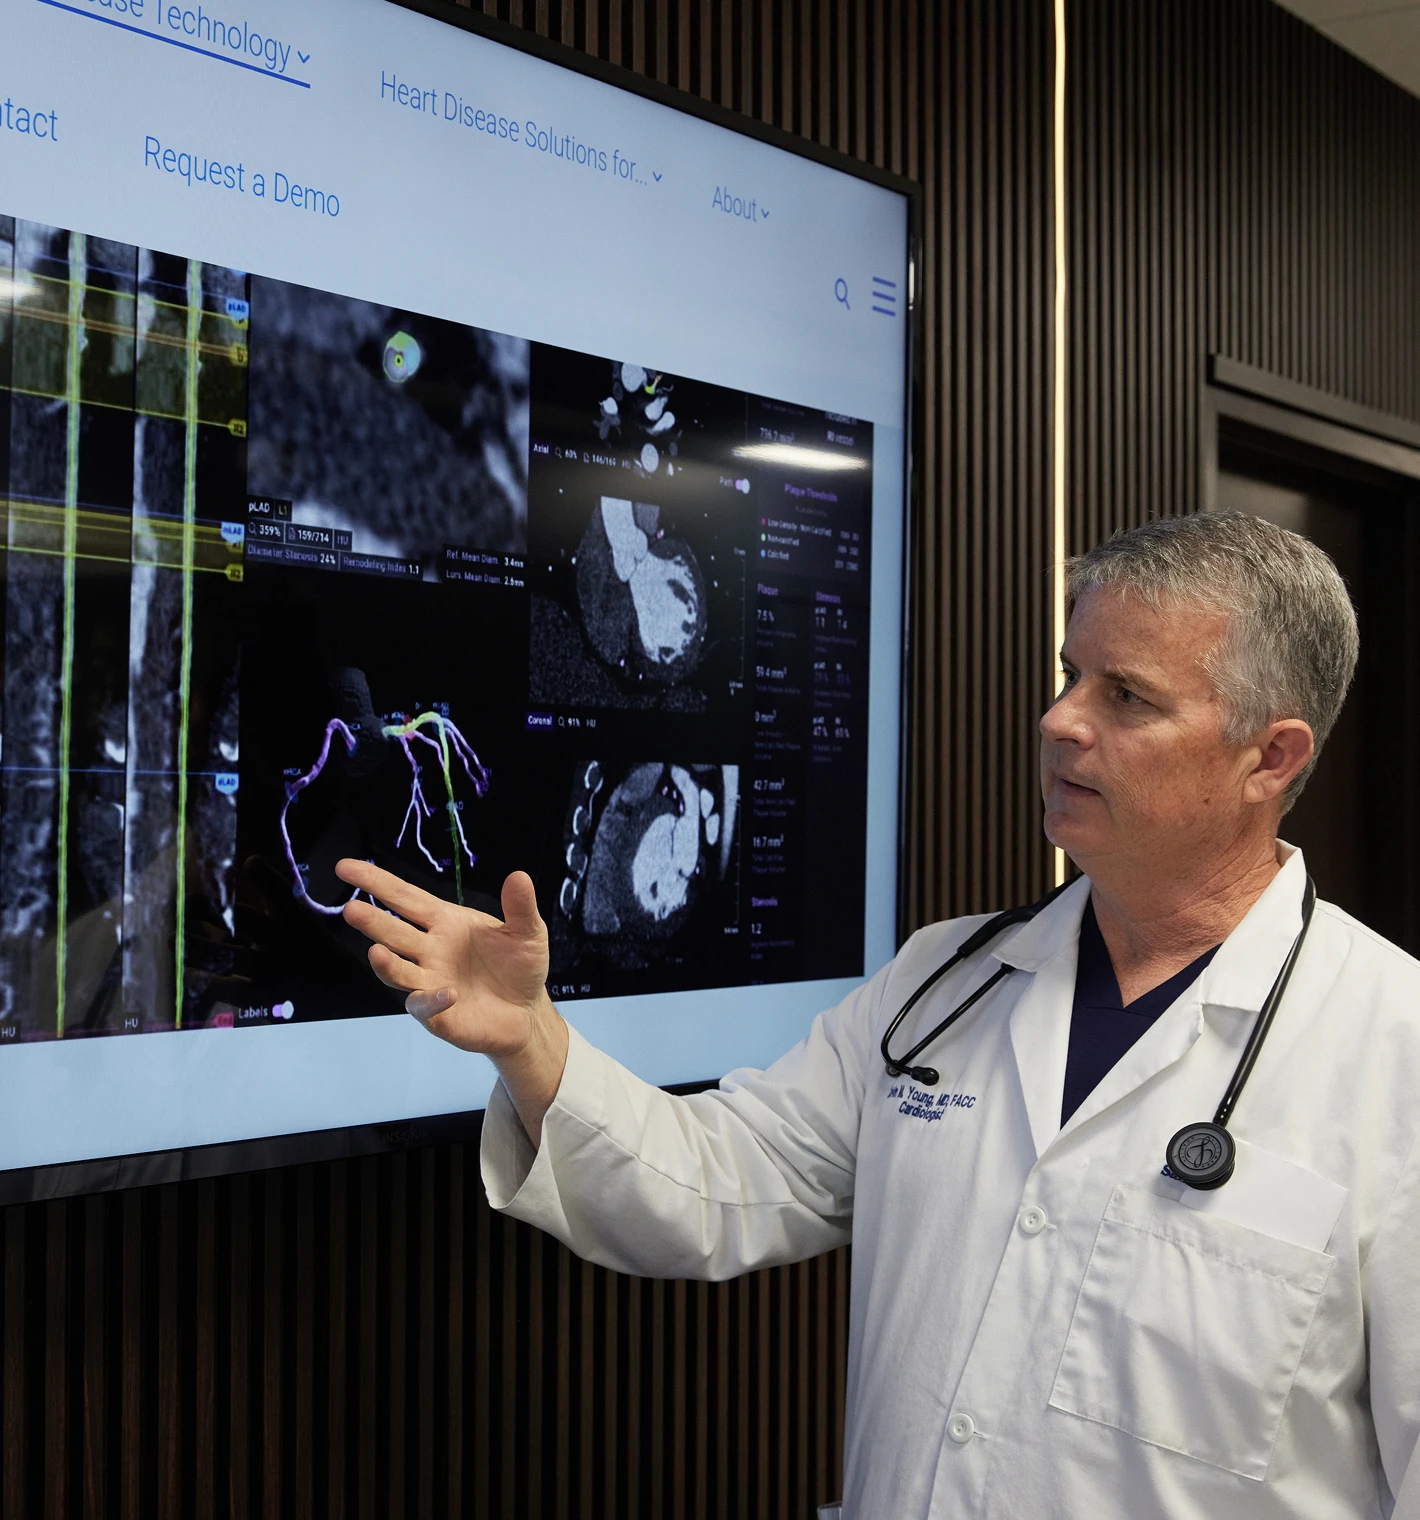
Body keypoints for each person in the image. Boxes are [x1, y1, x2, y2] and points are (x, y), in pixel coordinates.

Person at [337, 511, 1420, 1519]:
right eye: (1067, 674)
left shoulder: (1390, 1047)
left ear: (1268, 758)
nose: (1058, 720)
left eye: (1124, 697)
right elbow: (716, 1183)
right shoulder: (941, 982)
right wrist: (533, 1038)